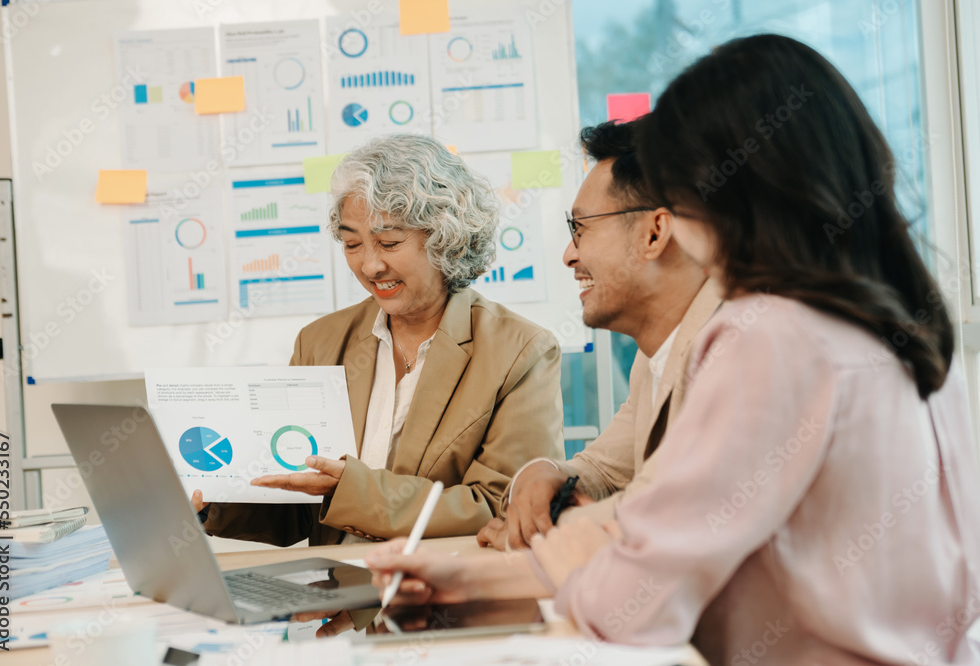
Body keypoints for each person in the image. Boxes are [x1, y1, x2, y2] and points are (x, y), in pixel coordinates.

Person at [364, 35, 980, 665]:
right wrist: (466, 584)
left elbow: (639, 600)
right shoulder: (907, 331)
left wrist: (571, 546)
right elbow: (667, 534)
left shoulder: (766, 336)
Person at [198, 134, 564, 548]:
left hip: (440, 601)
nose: (370, 265)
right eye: (353, 244)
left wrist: (354, 491)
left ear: (446, 237)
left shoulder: (521, 351)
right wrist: (217, 498)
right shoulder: (320, 342)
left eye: (389, 243)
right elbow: (298, 510)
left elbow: (501, 506)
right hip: (336, 602)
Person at [477, 119, 721, 551]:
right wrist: (547, 472)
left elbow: (688, 519)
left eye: (581, 229)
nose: (570, 255)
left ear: (654, 233)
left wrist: (566, 531)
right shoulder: (657, 353)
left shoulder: (736, 352)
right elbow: (606, 471)